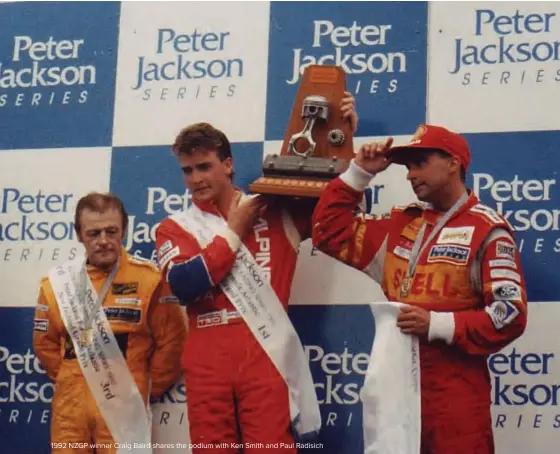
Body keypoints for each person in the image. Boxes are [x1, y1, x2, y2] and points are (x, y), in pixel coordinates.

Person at [153, 94, 358, 453]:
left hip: (266, 357)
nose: (196, 179)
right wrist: (233, 231)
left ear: (228, 164)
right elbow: (185, 286)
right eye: (188, 171)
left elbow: (339, 207)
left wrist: (341, 136)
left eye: (204, 166)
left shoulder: (274, 211)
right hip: (207, 363)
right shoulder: (175, 227)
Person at [311, 124, 528, 454]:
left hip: (455, 399)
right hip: (396, 393)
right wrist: (358, 174)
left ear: (453, 163)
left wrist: (437, 325)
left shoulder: (488, 229)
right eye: (408, 167)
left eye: (421, 163)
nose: (411, 175)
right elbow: (329, 234)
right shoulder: (399, 224)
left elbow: (509, 315)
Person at [33, 192, 187, 454]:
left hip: (126, 406)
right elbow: (44, 344)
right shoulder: (57, 285)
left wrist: (143, 389)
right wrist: (74, 380)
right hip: (70, 408)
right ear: (79, 234)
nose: (103, 241)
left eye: (111, 231)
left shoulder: (150, 280)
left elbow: (173, 343)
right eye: (94, 233)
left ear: (124, 231)